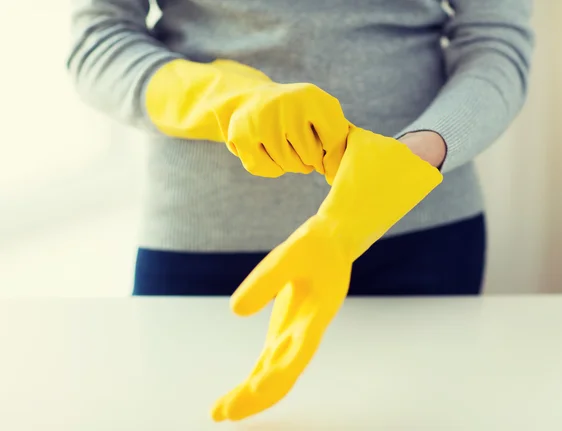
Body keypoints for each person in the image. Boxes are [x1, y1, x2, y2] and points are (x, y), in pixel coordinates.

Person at [67, 1, 533, 296]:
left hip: (416, 233)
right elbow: (98, 42)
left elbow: (495, 41)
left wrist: (413, 157)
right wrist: (224, 101)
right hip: (205, 241)